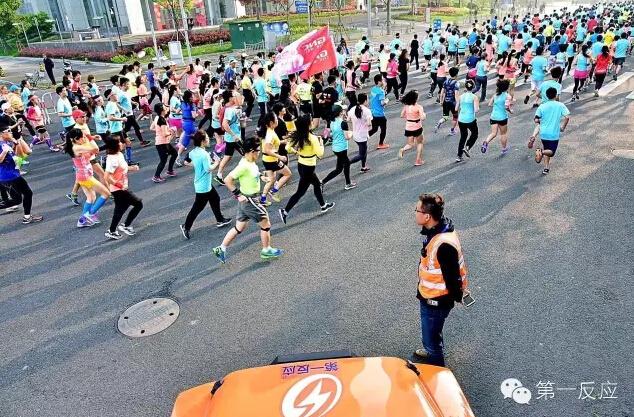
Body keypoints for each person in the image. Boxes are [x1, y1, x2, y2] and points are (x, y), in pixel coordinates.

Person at [413, 193, 469, 367]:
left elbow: (452, 279)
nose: (414, 213)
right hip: (429, 295)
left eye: (417, 210)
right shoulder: (439, 230)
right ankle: (431, 346)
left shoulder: (443, 244)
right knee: (432, 332)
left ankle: (436, 368)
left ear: (427, 216)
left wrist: (457, 296)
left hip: (436, 300)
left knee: (432, 337)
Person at [212, 137, 283, 263]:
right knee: (266, 224)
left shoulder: (250, 161)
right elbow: (228, 180)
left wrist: (261, 177)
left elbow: (253, 172)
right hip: (250, 200)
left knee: (239, 228)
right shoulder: (243, 165)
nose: (259, 152)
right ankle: (266, 249)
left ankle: (221, 248)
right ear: (251, 151)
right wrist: (238, 194)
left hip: (246, 201)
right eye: (258, 150)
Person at [278, 114, 335, 224]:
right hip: (309, 166)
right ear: (307, 124)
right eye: (311, 121)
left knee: (317, 184)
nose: (313, 122)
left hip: (301, 164)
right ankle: (284, 211)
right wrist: (321, 143)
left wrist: (297, 152)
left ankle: (323, 205)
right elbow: (320, 153)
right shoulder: (312, 138)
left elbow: (287, 148)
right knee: (300, 192)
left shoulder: (297, 134)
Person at [180, 130, 232, 239]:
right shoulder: (204, 155)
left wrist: (196, 165)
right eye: (207, 138)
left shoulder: (194, 152)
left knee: (215, 198)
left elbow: (185, 161)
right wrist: (217, 163)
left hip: (203, 183)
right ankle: (186, 227)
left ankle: (220, 219)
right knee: (198, 207)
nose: (209, 139)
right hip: (203, 186)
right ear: (203, 141)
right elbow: (208, 169)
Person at [65, 128, 111, 227]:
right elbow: (95, 149)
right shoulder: (77, 147)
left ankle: (82, 221)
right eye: (83, 137)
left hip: (83, 176)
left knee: (91, 197)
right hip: (86, 178)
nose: (84, 138)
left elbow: (93, 152)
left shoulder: (78, 146)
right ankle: (90, 214)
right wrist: (90, 138)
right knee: (106, 193)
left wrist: (88, 138)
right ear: (76, 139)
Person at [0, 122, 43, 224]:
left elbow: (14, 155)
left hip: (14, 175)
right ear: (1, 133)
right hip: (8, 177)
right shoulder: (1, 146)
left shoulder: (6, 144)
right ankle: (27, 217)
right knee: (17, 200)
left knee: (27, 193)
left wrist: (15, 143)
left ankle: (27, 217)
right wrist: (4, 151)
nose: (11, 133)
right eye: (8, 131)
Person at [103, 137, 143, 240]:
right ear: (115, 146)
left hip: (122, 187)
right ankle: (125, 225)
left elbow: (123, 168)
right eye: (119, 142)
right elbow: (106, 177)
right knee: (138, 204)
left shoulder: (119, 155)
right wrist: (120, 185)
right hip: (119, 190)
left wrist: (132, 168)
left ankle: (112, 231)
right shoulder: (112, 160)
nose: (122, 143)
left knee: (120, 209)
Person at [529, 87, 571, 175]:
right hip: (553, 134)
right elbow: (567, 117)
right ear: (556, 95)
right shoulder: (560, 105)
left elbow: (536, 120)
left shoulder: (542, 106)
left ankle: (546, 167)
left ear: (547, 96)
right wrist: (563, 127)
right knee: (551, 152)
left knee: (547, 148)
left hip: (543, 133)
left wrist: (541, 121)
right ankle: (541, 151)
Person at [260, 112, 292, 206]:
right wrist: (280, 157)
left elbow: (272, 145)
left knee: (271, 180)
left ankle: (263, 199)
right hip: (272, 160)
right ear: (271, 122)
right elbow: (267, 150)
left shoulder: (270, 131)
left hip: (267, 160)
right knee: (287, 174)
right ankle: (274, 191)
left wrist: (283, 142)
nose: (277, 120)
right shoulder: (270, 134)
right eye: (276, 119)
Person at [322, 105, 356, 191]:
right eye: (343, 110)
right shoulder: (343, 123)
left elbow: (326, 134)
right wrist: (352, 132)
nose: (344, 111)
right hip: (341, 148)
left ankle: (322, 182)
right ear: (341, 112)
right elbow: (347, 137)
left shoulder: (330, 121)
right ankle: (348, 184)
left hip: (335, 148)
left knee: (339, 169)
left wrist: (333, 134)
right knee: (346, 165)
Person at [481, 79, 512, 154]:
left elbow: (489, 104)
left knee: (493, 133)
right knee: (503, 134)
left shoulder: (495, 95)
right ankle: (504, 149)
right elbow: (506, 107)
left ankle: (486, 142)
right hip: (502, 117)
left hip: (493, 116)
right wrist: (510, 111)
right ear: (507, 87)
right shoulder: (508, 96)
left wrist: (496, 105)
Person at [150, 103, 177, 182]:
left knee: (174, 154)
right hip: (162, 143)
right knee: (163, 160)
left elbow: (151, 128)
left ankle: (170, 170)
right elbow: (165, 134)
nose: (167, 109)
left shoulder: (157, 117)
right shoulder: (162, 120)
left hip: (163, 142)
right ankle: (156, 176)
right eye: (165, 108)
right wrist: (172, 132)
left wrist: (160, 131)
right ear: (162, 110)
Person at [399, 90, 426, 166]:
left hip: (408, 126)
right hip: (417, 126)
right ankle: (418, 160)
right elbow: (422, 118)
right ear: (415, 98)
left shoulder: (406, 106)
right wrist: (424, 114)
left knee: (410, 144)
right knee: (420, 143)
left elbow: (401, 115)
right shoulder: (418, 107)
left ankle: (403, 149)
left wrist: (409, 116)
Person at [455, 80, 479, 162]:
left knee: (463, 136)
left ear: (465, 87)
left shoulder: (461, 97)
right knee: (475, 134)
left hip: (461, 119)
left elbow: (456, 108)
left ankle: (459, 156)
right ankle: (467, 147)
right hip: (470, 119)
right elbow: (476, 110)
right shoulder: (474, 97)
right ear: (473, 87)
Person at [435, 66, 460, 136]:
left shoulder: (446, 81)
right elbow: (456, 95)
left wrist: (441, 101)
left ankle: (440, 122)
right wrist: (458, 104)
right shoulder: (456, 83)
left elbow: (442, 91)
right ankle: (452, 130)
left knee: (445, 117)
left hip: (445, 101)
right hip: (453, 103)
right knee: (455, 117)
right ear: (456, 74)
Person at [368, 74, 389, 149]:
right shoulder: (381, 91)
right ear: (379, 82)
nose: (384, 80)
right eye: (383, 79)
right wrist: (387, 100)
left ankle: (364, 138)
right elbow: (382, 103)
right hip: (379, 114)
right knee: (383, 129)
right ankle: (381, 144)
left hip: (373, 112)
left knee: (374, 129)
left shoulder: (373, 89)